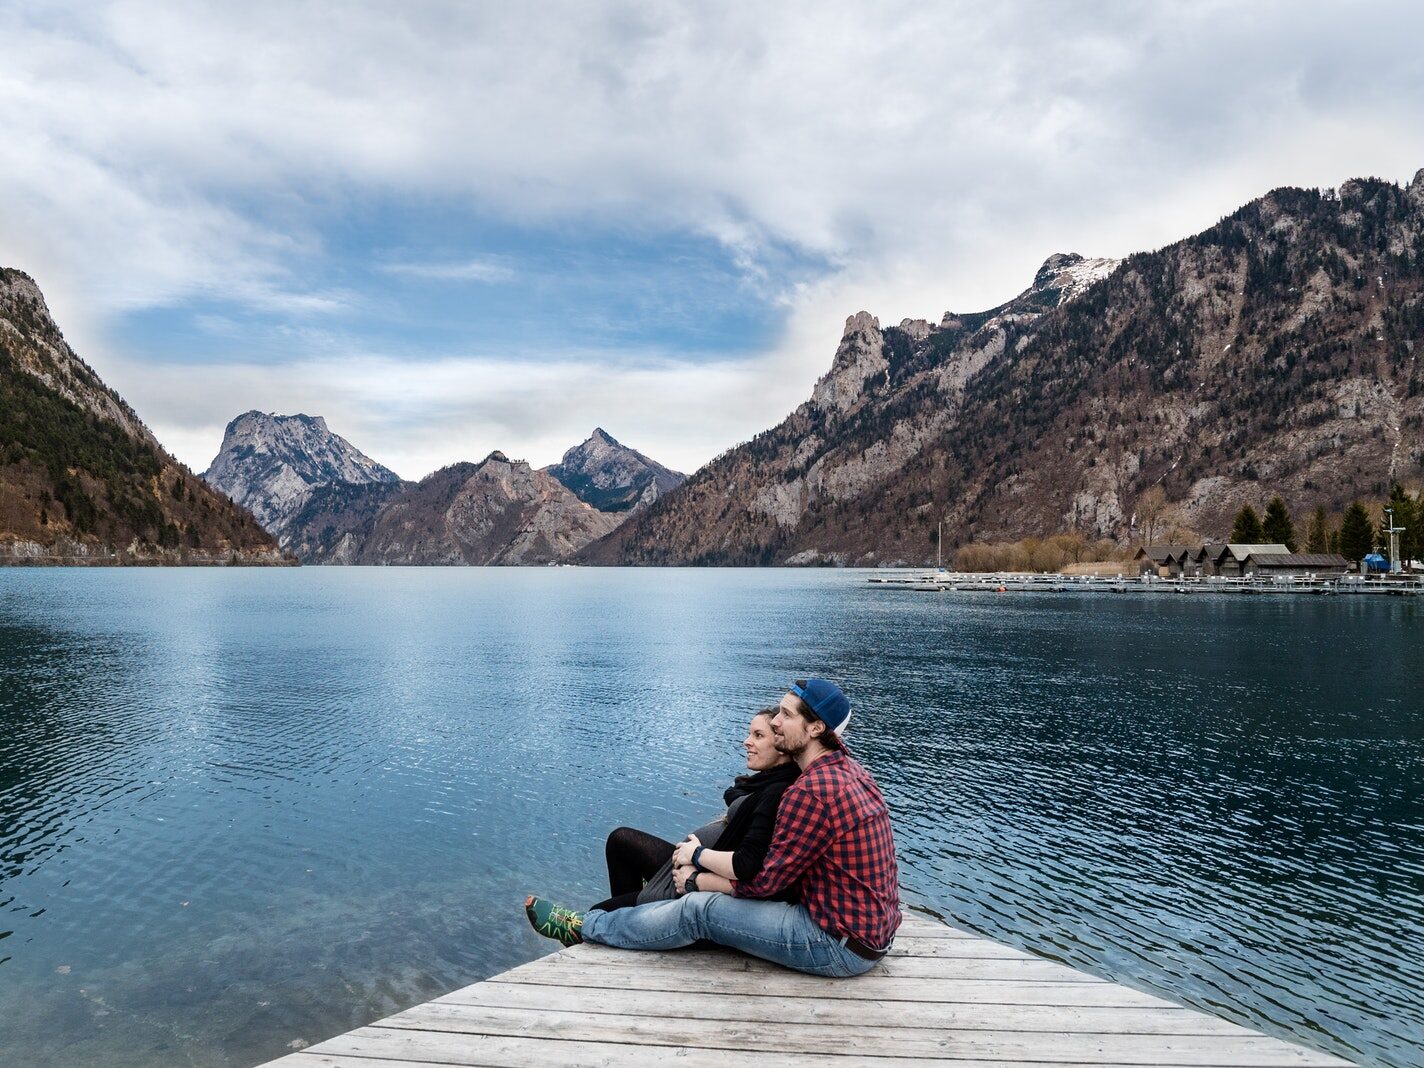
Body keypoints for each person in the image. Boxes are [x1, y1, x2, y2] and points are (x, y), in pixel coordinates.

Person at [524, 678, 900, 979]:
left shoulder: (811, 791)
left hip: (834, 944)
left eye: (785, 715)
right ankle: (612, 929)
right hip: (865, 932)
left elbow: (763, 882)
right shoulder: (847, 769)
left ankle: (584, 927)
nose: (774, 722)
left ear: (816, 727)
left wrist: (695, 877)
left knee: (698, 911)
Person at [544, 708, 799, 920]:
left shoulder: (775, 793)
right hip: (687, 867)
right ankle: (635, 919)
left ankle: (623, 920)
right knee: (620, 841)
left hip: (693, 881)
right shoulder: (763, 784)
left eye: (758, 735)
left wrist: (697, 858)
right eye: (749, 733)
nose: (747, 741)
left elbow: (748, 863)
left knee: (598, 913)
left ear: (780, 746)